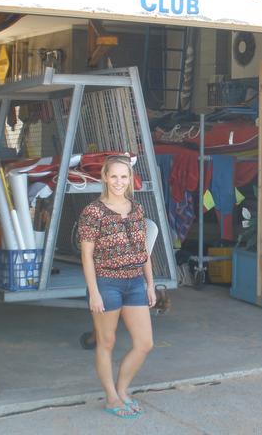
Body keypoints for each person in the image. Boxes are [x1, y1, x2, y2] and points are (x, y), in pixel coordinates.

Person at [78, 154, 156, 419]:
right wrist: (94, 292)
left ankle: (122, 390)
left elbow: (144, 249)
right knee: (107, 342)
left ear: (130, 179)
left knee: (145, 343)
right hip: (106, 283)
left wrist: (150, 284)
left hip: (135, 282)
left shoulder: (136, 209)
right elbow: (86, 255)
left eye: (124, 176)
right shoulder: (93, 212)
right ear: (104, 177)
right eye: (114, 176)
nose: (119, 181)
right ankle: (111, 397)